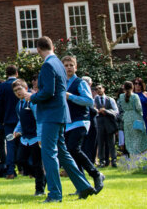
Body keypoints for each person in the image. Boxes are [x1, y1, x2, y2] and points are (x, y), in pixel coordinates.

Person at [30, 36, 95, 202]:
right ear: (52, 46)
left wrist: (31, 97)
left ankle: (55, 194)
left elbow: (47, 92)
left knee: (49, 153)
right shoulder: (59, 63)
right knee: (64, 154)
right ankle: (84, 186)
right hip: (61, 114)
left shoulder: (47, 65)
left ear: (38, 50)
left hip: (51, 115)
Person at [62, 55, 103, 192]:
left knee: (74, 148)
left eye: (71, 65)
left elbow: (89, 101)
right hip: (67, 123)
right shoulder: (61, 84)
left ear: (76, 67)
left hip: (80, 121)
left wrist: (70, 96)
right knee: (71, 153)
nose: (68, 67)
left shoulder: (80, 83)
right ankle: (82, 185)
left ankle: (96, 174)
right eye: (66, 65)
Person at [11, 79, 46, 197]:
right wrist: (17, 130)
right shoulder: (18, 104)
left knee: (37, 164)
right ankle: (40, 177)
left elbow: (39, 119)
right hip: (25, 138)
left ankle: (39, 190)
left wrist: (40, 136)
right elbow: (21, 120)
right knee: (20, 160)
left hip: (36, 137)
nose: (17, 92)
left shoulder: (32, 102)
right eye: (15, 91)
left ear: (26, 88)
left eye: (19, 89)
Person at [0, 65, 19, 178]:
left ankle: (10, 170)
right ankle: (25, 168)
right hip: (21, 119)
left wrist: (1, 120)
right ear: (17, 73)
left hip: (8, 120)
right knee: (24, 143)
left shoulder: (2, 86)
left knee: (10, 144)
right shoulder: (21, 84)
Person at [118, 80, 147, 156]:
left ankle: (132, 154)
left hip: (126, 118)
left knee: (129, 137)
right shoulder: (135, 96)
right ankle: (139, 154)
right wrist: (141, 115)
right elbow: (139, 108)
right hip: (135, 117)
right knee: (138, 136)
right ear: (132, 87)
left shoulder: (121, 96)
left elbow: (120, 107)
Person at [93, 84, 119, 168]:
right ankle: (102, 161)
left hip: (109, 123)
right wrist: (97, 111)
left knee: (111, 143)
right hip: (99, 123)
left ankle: (114, 160)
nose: (98, 90)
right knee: (100, 143)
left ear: (103, 89)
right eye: (96, 89)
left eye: (100, 88)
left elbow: (116, 111)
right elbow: (91, 110)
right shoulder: (94, 100)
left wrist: (106, 111)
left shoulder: (110, 99)